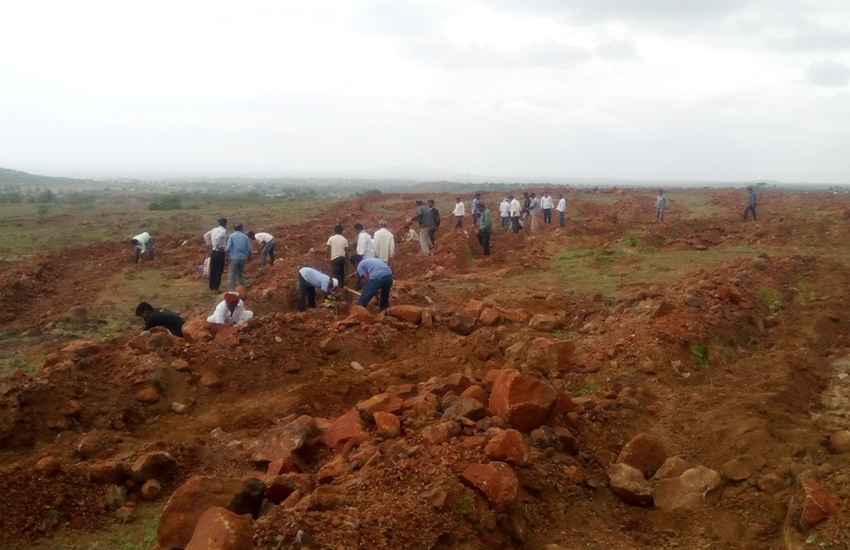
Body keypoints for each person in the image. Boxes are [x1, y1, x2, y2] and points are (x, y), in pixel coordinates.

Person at [204, 218, 228, 292]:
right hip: (220, 252)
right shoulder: (222, 231)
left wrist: (209, 244)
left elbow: (205, 235)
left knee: (213, 269)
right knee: (219, 270)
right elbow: (218, 238)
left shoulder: (214, 229)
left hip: (214, 252)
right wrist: (219, 246)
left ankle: (211, 287)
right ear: (225, 224)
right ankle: (216, 288)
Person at [225, 224, 252, 291]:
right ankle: (243, 288)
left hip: (234, 257)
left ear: (234, 229)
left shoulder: (231, 236)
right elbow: (249, 249)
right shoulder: (245, 237)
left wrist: (226, 257)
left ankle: (231, 290)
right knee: (240, 273)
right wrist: (249, 256)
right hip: (243, 258)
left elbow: (228, 248)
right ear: (242, 229)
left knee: (231, 273)